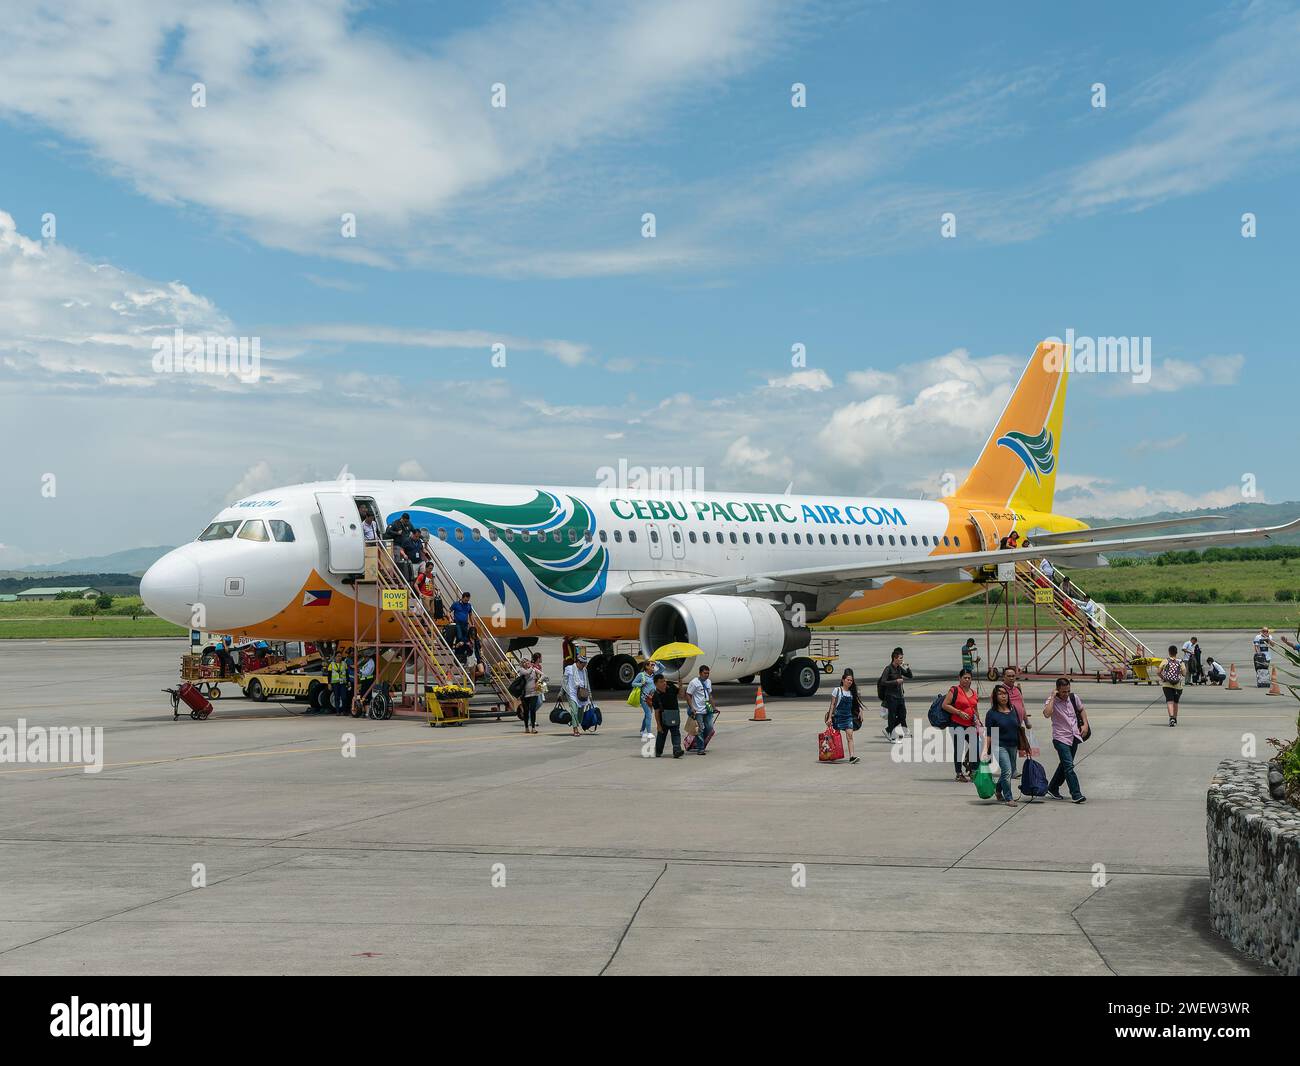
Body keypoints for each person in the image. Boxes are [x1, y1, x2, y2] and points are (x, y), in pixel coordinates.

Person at [1043, 677, 1087, 803]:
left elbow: (1081, 709)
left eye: (1068, 691)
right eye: (1063, 692)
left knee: (1064, 765)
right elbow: (1047, 714)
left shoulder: (1073, 698)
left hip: (1074, 736)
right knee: (1069, 766)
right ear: (1057, 690)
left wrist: (1085, 724)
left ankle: (1052, 788)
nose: (1066, 694)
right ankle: (1076, 794)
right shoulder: (1052, 701)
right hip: (1060, 738)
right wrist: (1052, 697)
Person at [982, 684, 1021, 806]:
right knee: (1008, 771)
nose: (1003, 696)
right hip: (999, 746)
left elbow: (1018, 728)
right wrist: (984, 750)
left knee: (1007, 772)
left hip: (1013, 745)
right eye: (1000, 694)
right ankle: (1008, 797)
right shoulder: (992, 714)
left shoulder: (1013, 709)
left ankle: (998, 789)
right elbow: (989, 734)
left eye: (1005, 694)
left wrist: (1024, 745)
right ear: (995, 697)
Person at [942, 669, 981, 782]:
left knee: (975, 748)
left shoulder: (973, 692)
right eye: (965, 677)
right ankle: (959, 773)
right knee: (959, 749)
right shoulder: (954, 690)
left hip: (971, 725)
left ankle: (973, 771)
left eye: (969, 678)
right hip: (957, 724)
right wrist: (959, 712)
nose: (967, 680)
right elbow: (945, 705)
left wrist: (978, 720)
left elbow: (975, 708)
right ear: (959, 678)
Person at [824, 670, 861, 765]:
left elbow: (856, 704)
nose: (850, 682)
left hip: (848, 717)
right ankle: (832, 754)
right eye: (848, 680)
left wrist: (860, 712)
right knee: (834, 737)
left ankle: (852, 757)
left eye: (851, 681)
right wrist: (829, 718)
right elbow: (832, 704)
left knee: (850, 736)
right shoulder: (837, 690)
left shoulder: (852, 692)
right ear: (843, 680)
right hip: (837, 716)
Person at [1001, 665, 1034, 764]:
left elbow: (1022, 706)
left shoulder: (1017, 690)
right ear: (1004, 677)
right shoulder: (1000, 690)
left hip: (1017, 725)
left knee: (1015, 747)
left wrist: (1027, 722)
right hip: (1006, 725)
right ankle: (1009, 769)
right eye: (1009, 676)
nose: (1011, 678)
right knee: (1008, 748)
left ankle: (1012, 769)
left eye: (1013, 676)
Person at [878, 647, 912, 741]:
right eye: (900, 658)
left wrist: (907, 668)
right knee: (892, 716)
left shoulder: (899, 668)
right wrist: (896, 681)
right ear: (895, 658)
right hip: (891, 696)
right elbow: (883, 682)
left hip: (900, 696)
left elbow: (910, 676)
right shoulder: (888, 669)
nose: (902, 660)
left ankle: (888, 730)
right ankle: (892, 734)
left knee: (903, 714)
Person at [650, 673, 684, 758]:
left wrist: (680, 686)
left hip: (674, 716)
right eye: (661, 682)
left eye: (664, 681)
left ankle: (677, 750)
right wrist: (658, 725)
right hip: (663, 719)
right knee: (661, 735)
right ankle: (658, 751)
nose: (664, 683)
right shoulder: (655, 696)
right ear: (656, 684)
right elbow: (657, 712)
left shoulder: (671, 686)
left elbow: (681, 695)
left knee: (676, 733)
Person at [685, 665, 714, 755]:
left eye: (708, 673)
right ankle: (700, 748)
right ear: (700, 673)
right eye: (705, 673)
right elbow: (688, 695)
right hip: (698, 711)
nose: (707, 675)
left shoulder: (708, 682)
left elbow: (710, 695)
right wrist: (692, 708)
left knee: (709, 728)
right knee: (700, 729)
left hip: (707, 709)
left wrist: (714, 706)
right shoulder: (694, 682)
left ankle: (697, 741)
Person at [564, 652, 592, 737]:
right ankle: (575, 729)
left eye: (585, 664)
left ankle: (574, 721)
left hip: (582, 693)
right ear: (578, 662)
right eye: (583, 664)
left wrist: (590, 694)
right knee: (574, 711)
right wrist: (562, 692)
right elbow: (564, 681)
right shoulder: (569, 668)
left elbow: (587, 681)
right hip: (572, 693)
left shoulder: (584, 670)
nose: (583, 666)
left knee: (580, 714)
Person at [632, 659, 659, 741]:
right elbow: (633, 683)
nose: (653, 666)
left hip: (652, 698)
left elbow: (662, 669)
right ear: (646, 666)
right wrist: (641, 684)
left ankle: (642, 730)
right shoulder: (641, 675)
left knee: (647, 714)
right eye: (651, 665)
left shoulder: (654, 675)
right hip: (644, 698)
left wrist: (657, 663)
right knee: (649, 714)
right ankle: (649, 732)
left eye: (653, 665)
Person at [1159, 644, 1185, 726]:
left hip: (1167, 685)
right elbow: (1184, 673)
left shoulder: (1165, 661)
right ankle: (1175, 718)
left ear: (1169, 652)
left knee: (1169, 701)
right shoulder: (1180, 662)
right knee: (1176, 702)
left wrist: (1163, 678)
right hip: (1178, 685)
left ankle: (1171, 718)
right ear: (1176, 653)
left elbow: (1158, 672)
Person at [519, 651, 545, 734]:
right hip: (525, 694)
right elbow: (527, 673)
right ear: (522, 664)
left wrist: (539, 681)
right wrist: (532, 667)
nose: (527, 663)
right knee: (526, 711)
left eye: (527, 662)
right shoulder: (521, 670)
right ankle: (526, 727)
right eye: (525, 663)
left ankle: (533, 728)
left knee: (533, 709)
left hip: (534, 692)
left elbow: (543, 675)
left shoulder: (533, 669)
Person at [328, 650, 349, 716]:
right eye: (338, 656)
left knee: (344, 697)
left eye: (340, 656)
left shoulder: (344, 664)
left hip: (343, 683)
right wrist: (329, 683)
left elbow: (347, 674)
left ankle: (344, 711)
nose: (339, 657)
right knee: (336, 697)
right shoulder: (331, 664)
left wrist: (348, 682)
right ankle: (337, 711)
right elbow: (329, 675)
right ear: (335, 657)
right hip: (335, 683)